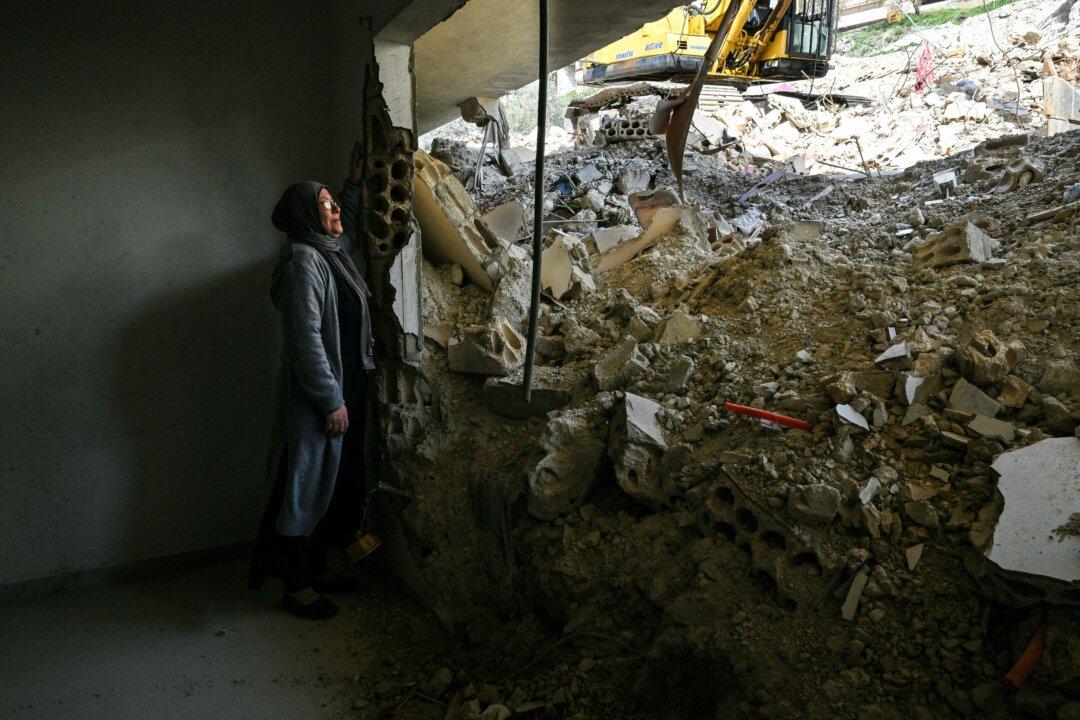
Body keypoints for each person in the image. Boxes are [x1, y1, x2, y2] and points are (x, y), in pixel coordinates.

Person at [248, 143, 374, 620]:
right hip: (318, 396)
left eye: (332, 200)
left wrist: (353, 185)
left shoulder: (329, 252)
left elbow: (352, 231)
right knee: (304, 490)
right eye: (324, 203)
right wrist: (329, 399)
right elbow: (304, 339)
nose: (334, 208)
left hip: (343, 387)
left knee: (332, 486)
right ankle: (295, 588)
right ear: (304, 214)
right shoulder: (304, 262)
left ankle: (315, 570)